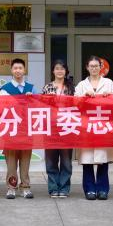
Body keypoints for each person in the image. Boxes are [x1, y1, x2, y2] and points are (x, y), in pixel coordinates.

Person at [74, 56, 113, 201]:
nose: (94, 68)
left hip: (103, 126)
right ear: (87, 67)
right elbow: (75, 103)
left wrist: (109, 96)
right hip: (87, 126)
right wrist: (84, 96)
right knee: (87, 161)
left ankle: (103, 189)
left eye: (96, 66)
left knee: (103, 160)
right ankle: (90, 189)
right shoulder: (81, 85)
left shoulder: (109, 83)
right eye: (91, 66)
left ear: (101, 67)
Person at [0, 58, 40, 199]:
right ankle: (11, 187)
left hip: (26, 130)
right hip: (10, 130)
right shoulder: (5, 89)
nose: (18, 70)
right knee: (11, 162)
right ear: (11, 70)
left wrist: (32, 100)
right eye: (15, 68)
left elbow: (39, 108)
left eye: (20, 68)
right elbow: (2, 108)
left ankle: (25, 187)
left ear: (24, 70)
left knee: (25, 161)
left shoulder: (32, 88)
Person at [42, 60, 75, 198]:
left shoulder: (72, 88)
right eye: (57, 68)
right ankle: (53, 188)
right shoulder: (47, 87)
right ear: (53, 71)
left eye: (62, 68)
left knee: (66, 161)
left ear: (66, 71)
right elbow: (40, 107)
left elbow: (78, 106)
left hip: (67, 127)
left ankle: (64, 188)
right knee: (51, 161)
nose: (59, 71)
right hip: (51, 128)